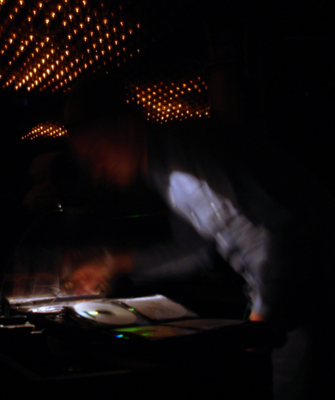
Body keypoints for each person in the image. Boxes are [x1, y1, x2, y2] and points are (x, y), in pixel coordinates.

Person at [62, 75, 335, 400]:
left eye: (96, 152)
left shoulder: (192, 149)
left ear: (126, 128)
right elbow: (194, 251)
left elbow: (287, 226)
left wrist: (263, 319)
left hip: (309, 299)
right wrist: (112, 264)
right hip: (281, 304)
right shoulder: (164, 170)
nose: (96, 171)